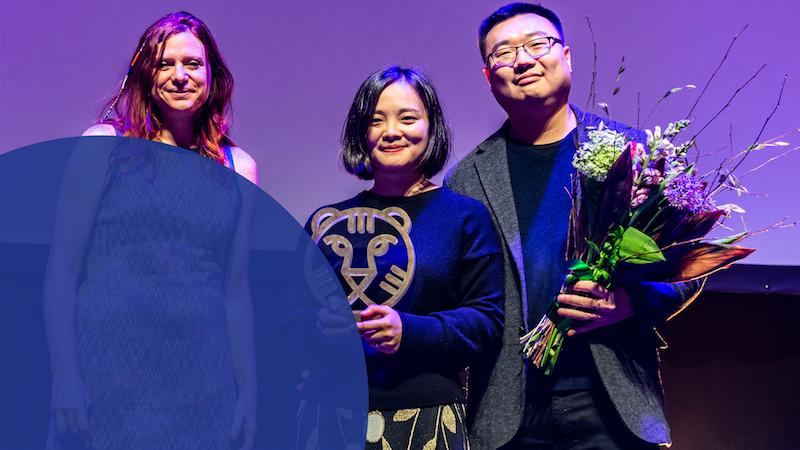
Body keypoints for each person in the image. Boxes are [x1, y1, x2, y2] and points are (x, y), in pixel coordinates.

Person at [444, 3, 701, 450]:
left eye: (535, 44)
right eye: (502, 53)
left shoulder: (632, 151)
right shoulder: (467, 178)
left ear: (566, 55)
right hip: (510, 413)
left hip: (612, 404)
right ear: (489, 77)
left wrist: (627, 302)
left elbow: (688, 269)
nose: (522, 60)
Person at [44, 12, 259, 449]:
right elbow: (60, 271)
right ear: (146, 74)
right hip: (107, 375)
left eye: (193, 64)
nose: (180, 76)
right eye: (165, 64)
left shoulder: (240, 168)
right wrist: (64, 376)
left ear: (212, 75)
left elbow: (236, 292)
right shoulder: (104, 145)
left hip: (201, 382)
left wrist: (249, 392)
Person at [301, 66, 504, 450]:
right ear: (361, 133)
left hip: (428, 416)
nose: (391, 131)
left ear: (432, 126)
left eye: (407, 117)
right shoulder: (323, 222)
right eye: (376, 120)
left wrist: (408, 331)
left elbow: (486, 322)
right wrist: (317, 327)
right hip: (327, 413)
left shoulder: (465, 217)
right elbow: (285, 317)